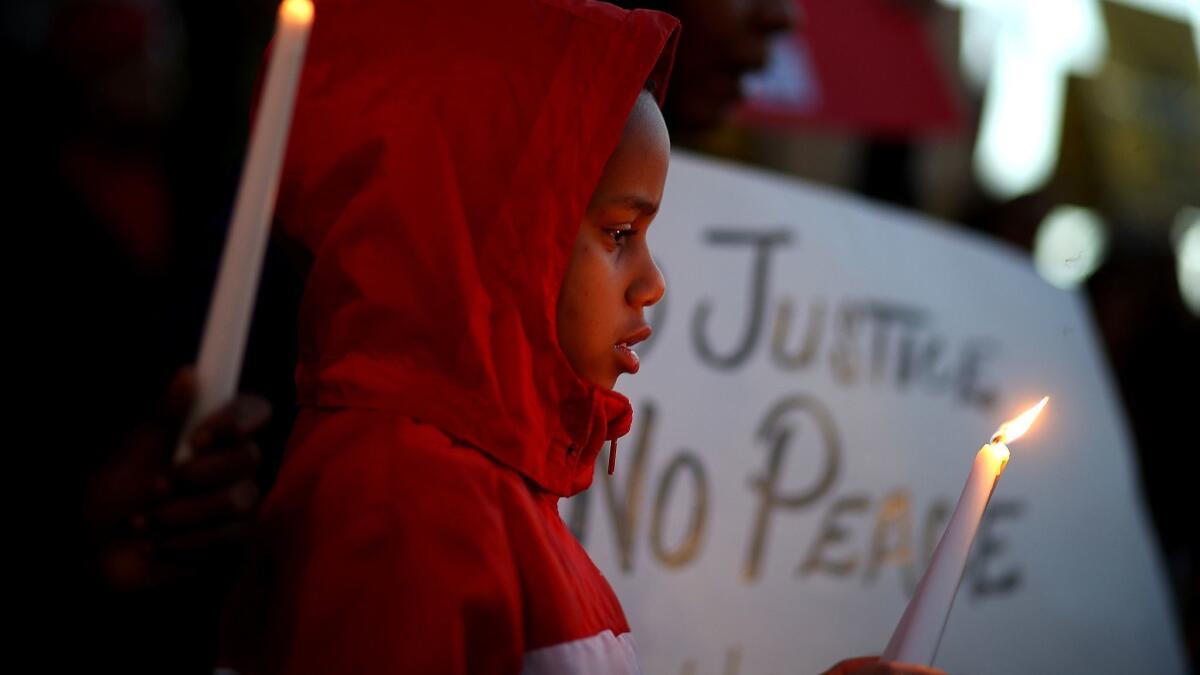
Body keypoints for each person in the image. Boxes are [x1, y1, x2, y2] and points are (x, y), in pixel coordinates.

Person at [217, 1, 944, 673]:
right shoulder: (399, 505)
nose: (652, 280)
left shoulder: (498, 491)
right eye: (620, 232)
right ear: (480, 239)